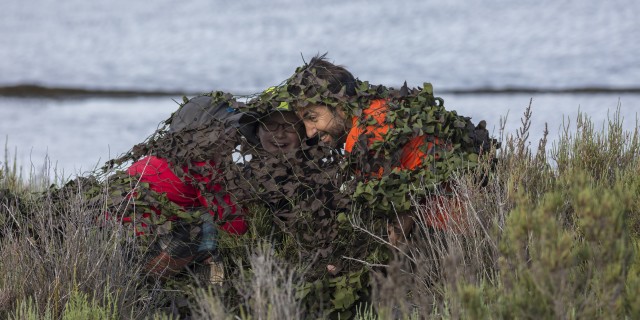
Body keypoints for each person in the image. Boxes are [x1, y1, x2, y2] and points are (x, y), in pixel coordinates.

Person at [117, 94, 306, 280]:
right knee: (207, 225)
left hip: (118, 235)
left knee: (198, 220)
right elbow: (235, 226)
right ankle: (151, 278)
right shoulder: (202, 164)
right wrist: (253, 212)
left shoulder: (160, 155)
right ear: (203, 134)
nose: (233, 137)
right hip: (139, 247)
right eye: (226, 131)